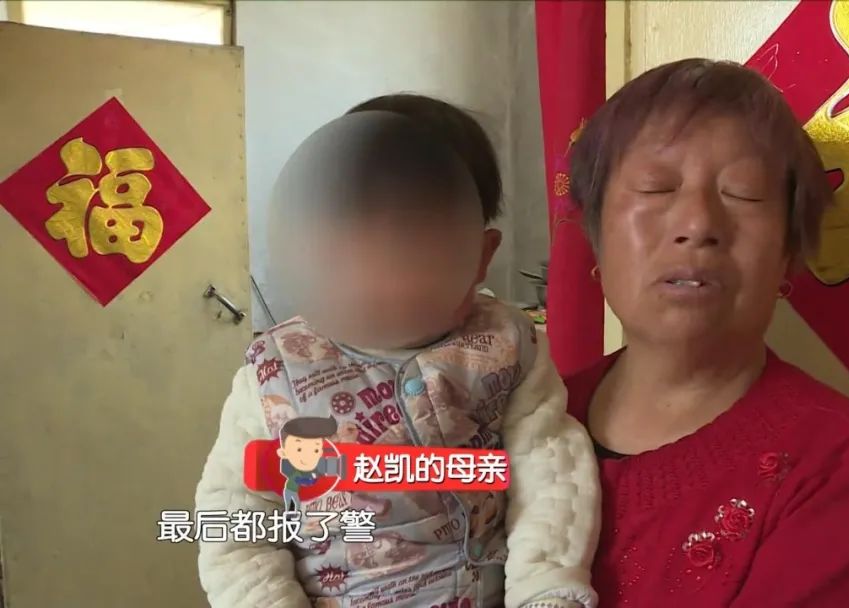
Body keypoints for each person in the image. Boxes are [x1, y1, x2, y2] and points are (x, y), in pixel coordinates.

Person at [195, 95, 600, 608]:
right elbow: (236, 520)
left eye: (411, 252)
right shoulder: (275, 373)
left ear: (478, 256)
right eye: (350, 251)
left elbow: (549, 470)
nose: (376, 280)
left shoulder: (505, 343)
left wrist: (544, 590)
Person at [564, 58, 849, 607]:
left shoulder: (838, 463)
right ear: (596, 235)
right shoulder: (509, 418)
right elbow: (404, 534)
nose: (698, 225)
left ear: (788, 253)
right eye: (656, 188)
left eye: (745, 194)